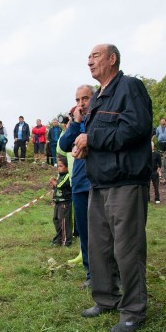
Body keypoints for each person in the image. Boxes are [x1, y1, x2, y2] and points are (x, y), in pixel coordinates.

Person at [74, 44, 152, 332]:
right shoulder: (96, 99)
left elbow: (136, 129)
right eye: (89, 57)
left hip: (126, 183)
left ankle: (133, 311)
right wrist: (84, 147)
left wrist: (91, 138)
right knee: (99, 247)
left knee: (127, 250)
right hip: (99, 183)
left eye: (94, 56)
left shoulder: (130, 87)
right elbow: (96, 137)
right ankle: (105, 299)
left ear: (112, 59)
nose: (89, 61)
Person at [59, 84, 95, 289]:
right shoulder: (76, 124)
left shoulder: (99, 119)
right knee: (84, 231)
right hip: (80, 183)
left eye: (85, 99)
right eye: (77, 100)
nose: (81, 104)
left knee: (104, 231)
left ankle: (112, 272)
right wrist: (75, 123)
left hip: (98, 183)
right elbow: (64, 145)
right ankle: (91, 274)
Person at [50, 156, 73, 246]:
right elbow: (56, 188)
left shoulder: (67, 176)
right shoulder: (60, 176)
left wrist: (54, 182)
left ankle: (67, 241)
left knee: (63, 221)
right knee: (56, 220)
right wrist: (53, 185)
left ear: (67, 167)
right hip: (58, 202)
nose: (59, 168)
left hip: (64, 202)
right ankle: (59, 238)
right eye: (58, 166)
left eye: (61, 166)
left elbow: (59, 185)